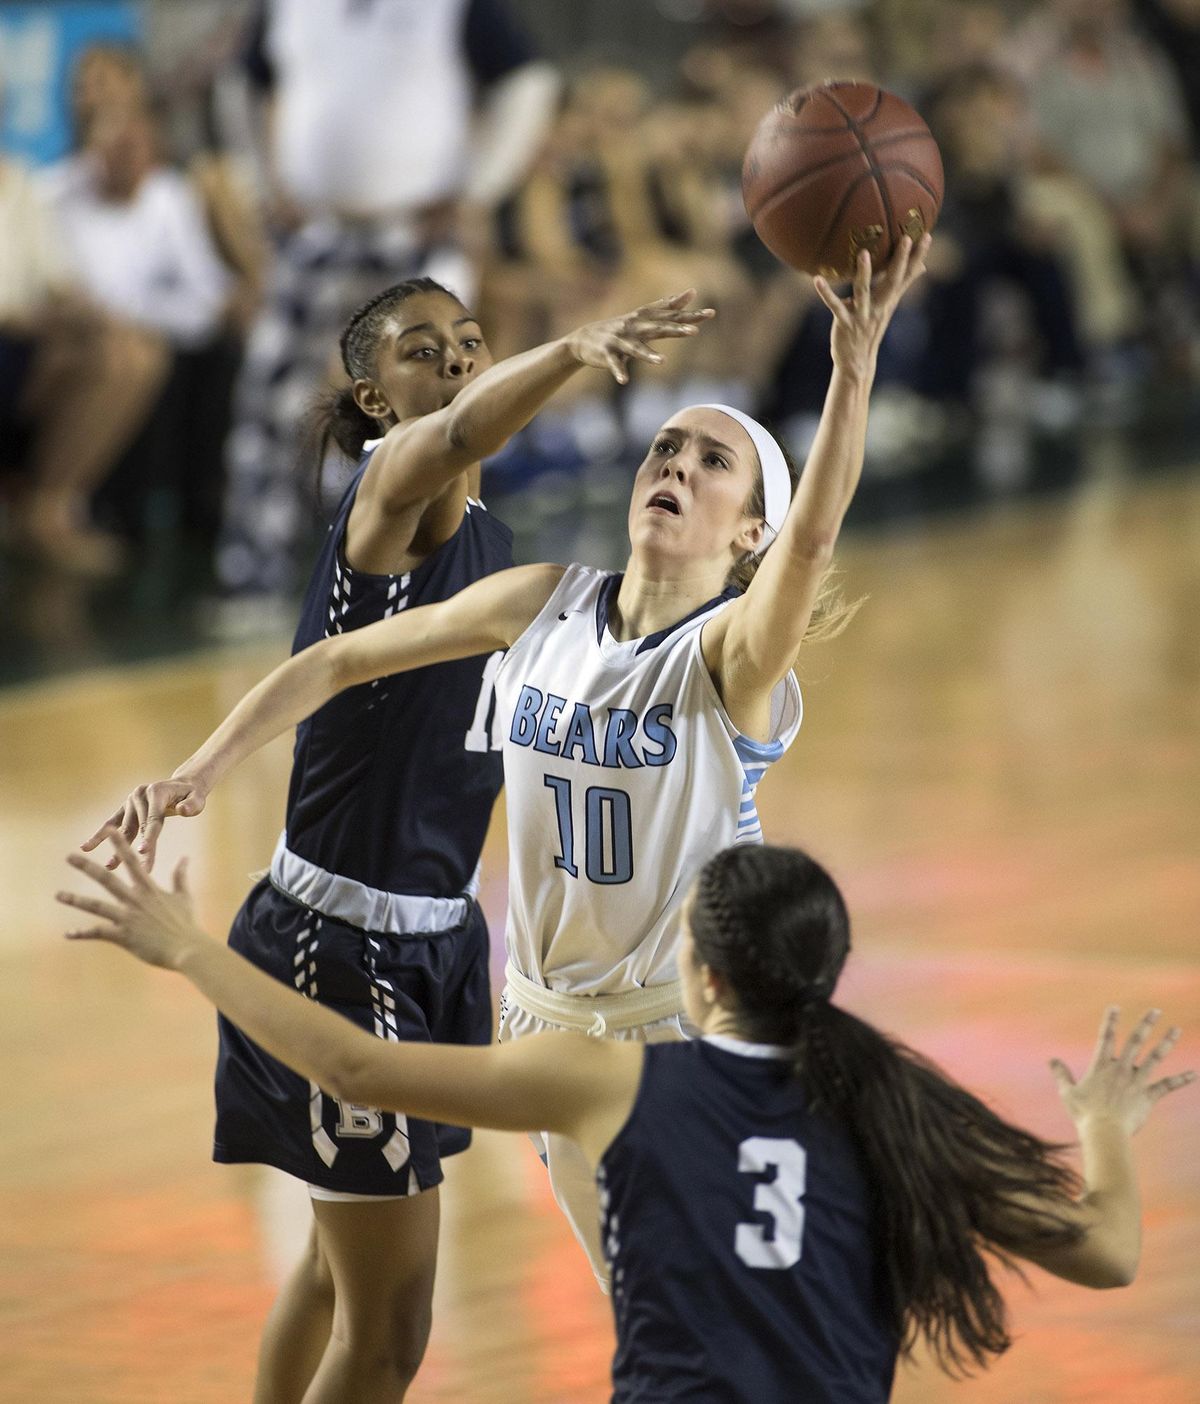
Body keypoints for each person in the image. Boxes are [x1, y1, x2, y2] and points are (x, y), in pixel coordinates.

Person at [86, 236, 930, 1290]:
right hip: (544, 1022)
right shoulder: (545, 601)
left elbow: (811, 549)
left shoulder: (730, 661)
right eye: (667, 445)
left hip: (685, 1021)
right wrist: (202, 770)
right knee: (646, 1312)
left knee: (708, 1311)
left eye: (714, 463)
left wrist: (853, 369)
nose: (676, 465)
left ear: (750, 530)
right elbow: (341, 656)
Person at [84, 276, 712, 1403]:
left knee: (333, 1277)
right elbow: (463, 437)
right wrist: (575, 346)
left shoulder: (498, 549)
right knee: (390, 1334)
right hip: (340, 944)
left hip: (435, 942)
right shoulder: (386, 496)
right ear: (377, 400)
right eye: (425, 352)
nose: (460, 362)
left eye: (470, 341)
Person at [57, 834, 1196, 1402]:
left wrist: (188, 948)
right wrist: (1102, 1120)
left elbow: (355, 1068)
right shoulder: (901, 1108)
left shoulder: (609, 1081)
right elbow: (1103, 1249)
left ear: (697, 976)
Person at [216, 0, 561, 607]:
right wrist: (258, 182)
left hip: (418, 233)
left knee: (441, 408)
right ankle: (254, 576)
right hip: (315, 233)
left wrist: (478, 190)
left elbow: (531, 82)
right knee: (269, 402)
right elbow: (239, 82)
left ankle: (437, 580)